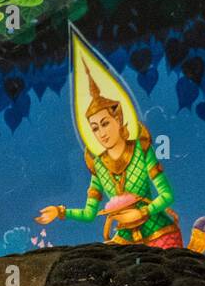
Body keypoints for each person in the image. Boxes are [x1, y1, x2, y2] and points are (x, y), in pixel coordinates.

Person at [35, 69, 182, 247]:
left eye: (105, 123)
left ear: (118, 120)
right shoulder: (98, 165)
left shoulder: (141, 150)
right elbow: (90, 213)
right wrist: (60, 212)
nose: (102, 133)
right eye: (95, 128)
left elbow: (167, 195)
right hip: (125, 239)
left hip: (159, 233)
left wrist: (142, 213)